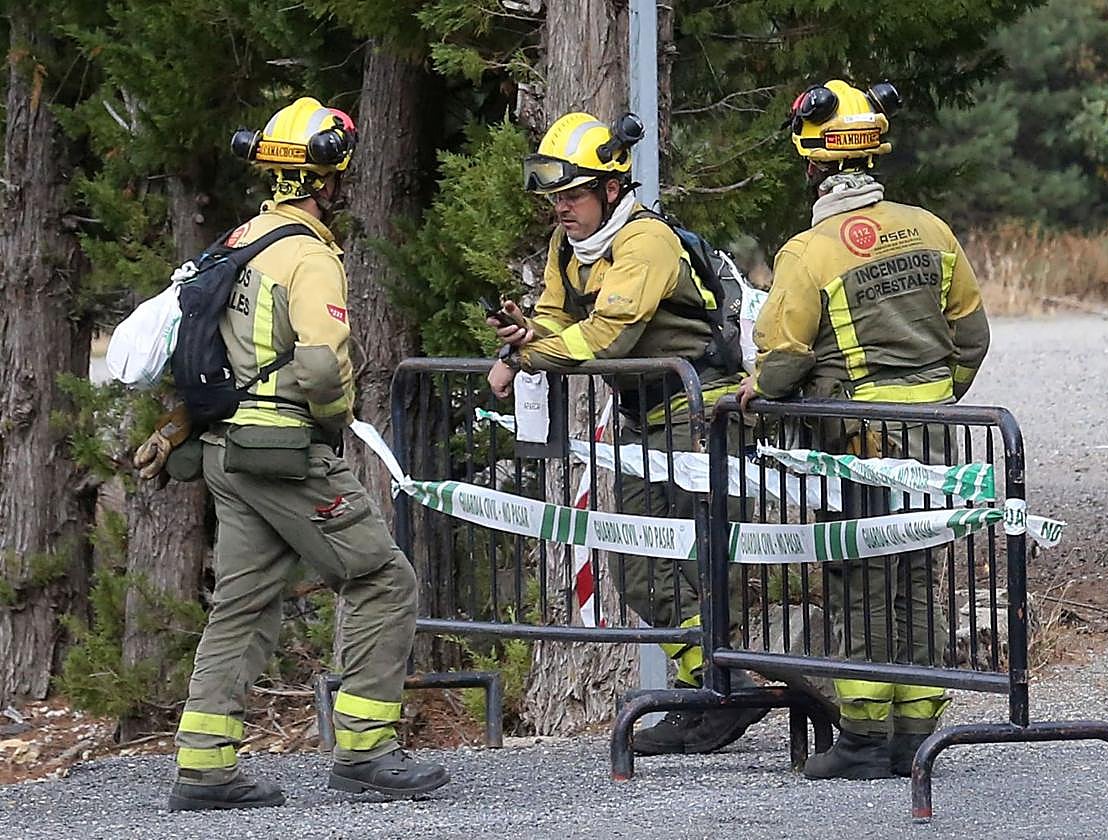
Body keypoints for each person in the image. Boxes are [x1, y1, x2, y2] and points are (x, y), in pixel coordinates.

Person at [135, 96, 449, 810]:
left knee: (241, 604)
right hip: (283, 452)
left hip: (224, 452)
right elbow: (318, 368)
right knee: (381, 578)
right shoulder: (309, 254)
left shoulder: (241, 240)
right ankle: (366, 750)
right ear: (328, 177)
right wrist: (335, 422)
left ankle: (204, 767)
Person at [486, 111, 766, 755]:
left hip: (703, 415)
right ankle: (712, 690)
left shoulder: (645, 242)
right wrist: (516, 349)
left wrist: (529, 354)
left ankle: (721, 692)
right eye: (555, 197)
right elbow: (554, 317)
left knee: (697, 564)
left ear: (613, 189)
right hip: (647, 419)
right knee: (640, 569)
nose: (562, 209)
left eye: (575, 195)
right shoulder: (570, 247)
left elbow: (610, 334)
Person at [738, 80, 990, 780]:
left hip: (857, 446)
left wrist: (756, 390)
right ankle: (916, 735)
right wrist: (936, 400)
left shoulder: (809, 253)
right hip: (938, 439)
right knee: (916, 577)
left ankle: (861, 740)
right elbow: (972, 336)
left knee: (863, 580)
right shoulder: (931, 229)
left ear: (812, 165)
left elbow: (786, 358)